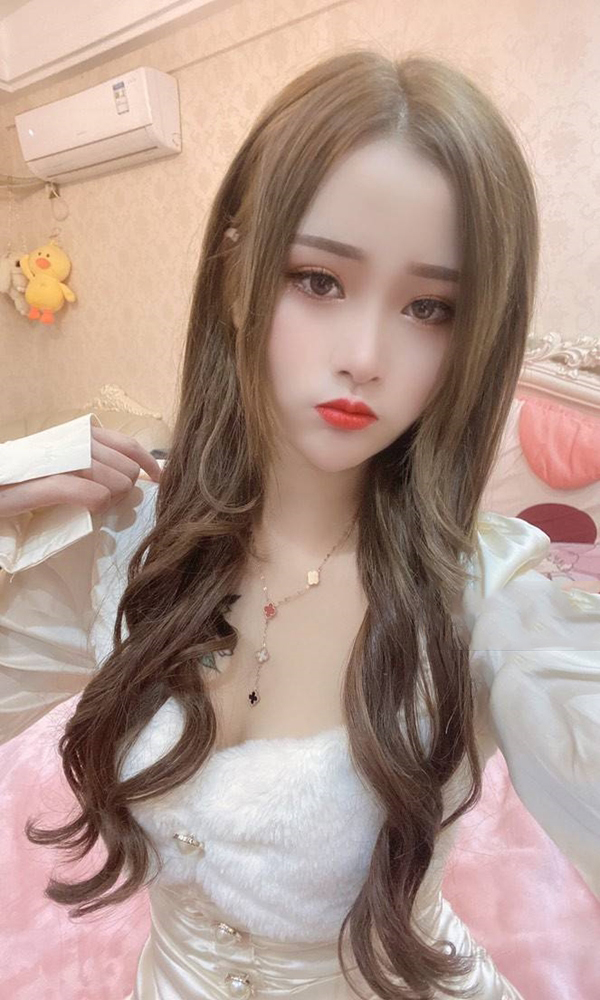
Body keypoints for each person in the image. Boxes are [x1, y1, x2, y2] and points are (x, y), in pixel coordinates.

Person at [0, 47, 598, 1000]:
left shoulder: (490, 597)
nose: (364, 354)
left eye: (430, 308)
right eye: (319, 280)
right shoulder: (121, 540)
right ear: (237, 275)